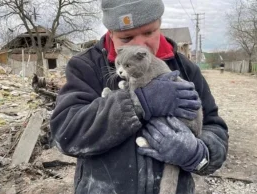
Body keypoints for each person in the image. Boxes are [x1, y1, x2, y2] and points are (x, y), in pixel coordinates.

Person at [50, 0, 229, 193]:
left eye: (149, 32)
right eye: (126, 38)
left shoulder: (185, 68)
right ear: (111, 32)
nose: (139, 45)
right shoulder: (86, 67)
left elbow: (215, 128)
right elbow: (65, 134)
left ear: (159, 23)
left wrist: (197, 154)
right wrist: (137, 102)